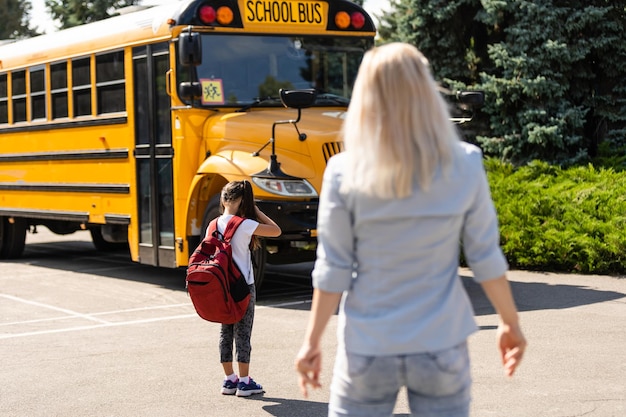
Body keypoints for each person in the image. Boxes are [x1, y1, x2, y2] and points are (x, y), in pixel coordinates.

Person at [294, 43, 527, 416]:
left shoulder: (343, 170)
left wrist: (311, 342)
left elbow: (333, 268)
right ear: (425, 91)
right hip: (441, 343)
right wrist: (509, 323)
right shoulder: (465, 163)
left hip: (368, 345)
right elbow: (485, 256)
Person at [211, 180, 281, 397]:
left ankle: (229, 379)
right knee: (243, 332)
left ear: (223, 200)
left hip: (221, 286)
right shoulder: (244, 224)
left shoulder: (213, 224)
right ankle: (244, 382)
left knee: (226, 331)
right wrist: (257, 211)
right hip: (243, 286)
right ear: (243, 202)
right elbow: (276, 231)